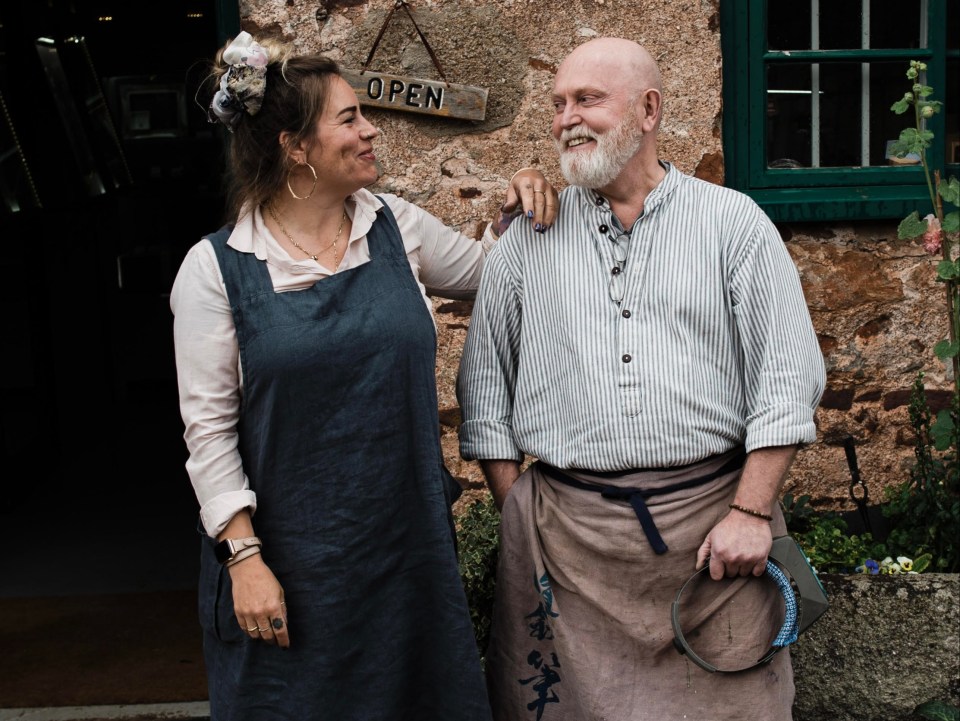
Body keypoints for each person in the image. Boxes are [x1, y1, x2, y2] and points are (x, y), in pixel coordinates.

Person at [170, 31, 559, 721]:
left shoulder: (393, 225)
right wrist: (243, 558)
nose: (370, 129)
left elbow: (486, 275)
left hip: (402, 549)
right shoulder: (217, 269)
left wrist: (521, 206)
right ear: (295, 146)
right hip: (288, 562)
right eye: (349, 118)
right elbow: (209, 433)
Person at [456, 37, 826, 721]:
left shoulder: (731, 223)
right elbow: (484, 394)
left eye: (588, 99)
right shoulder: (525, 239)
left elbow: (786, 376)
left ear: (649, 108)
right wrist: (520, 514)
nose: (567, 116)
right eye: (559, 102)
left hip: (716, 539)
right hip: (565, 550)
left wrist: (749, 513)